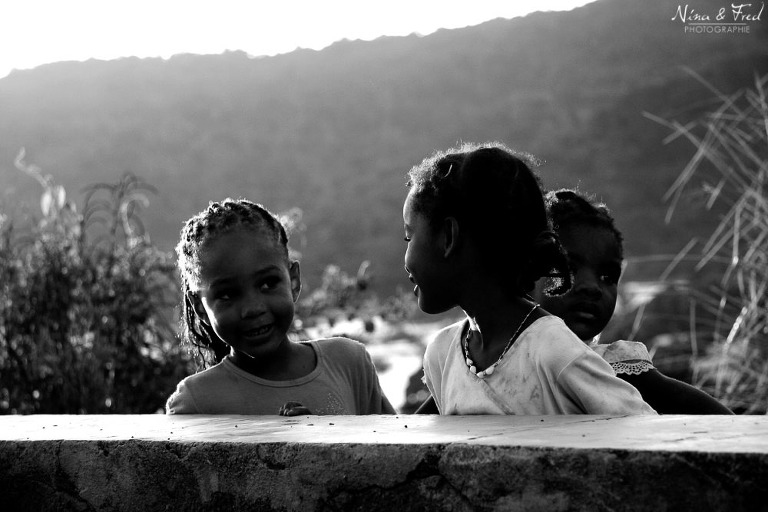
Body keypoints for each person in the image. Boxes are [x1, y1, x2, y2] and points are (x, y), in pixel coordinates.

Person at [405, 142, 656, 415]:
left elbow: (639, 427)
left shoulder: (553, 350)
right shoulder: (441, 355)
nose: (405, 257)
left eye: (409, 236)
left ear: (448, 237)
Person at [166, 198, 395, 416]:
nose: (253, 308)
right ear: (201, 307)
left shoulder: (348, 361)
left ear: (293, 281)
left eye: (267, 284)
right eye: (227, 295)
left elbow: (396, 449)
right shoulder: (196, 401)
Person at [534, 188, 732, 414]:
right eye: (571, 268)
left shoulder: (610, 368)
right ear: (527, 272)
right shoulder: (495, 364)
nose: (592, 287)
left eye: (607, 277)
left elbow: (716, 418)